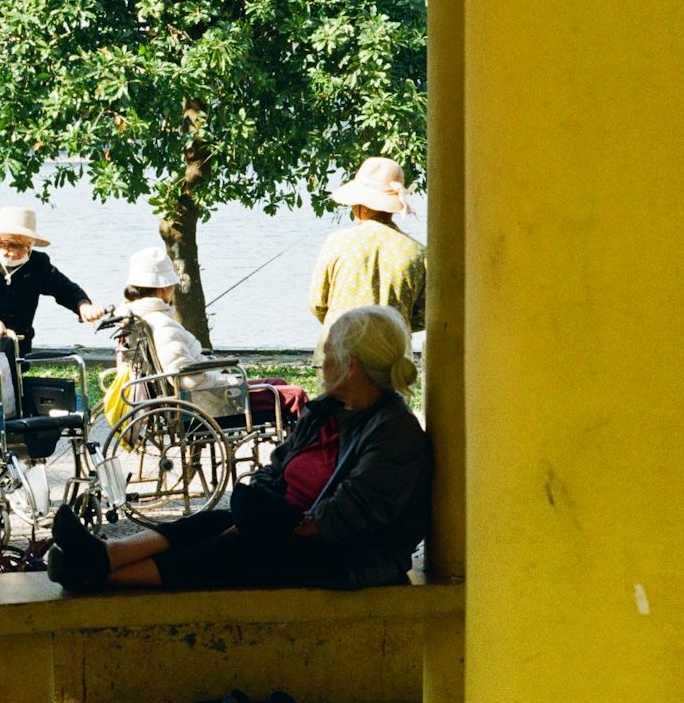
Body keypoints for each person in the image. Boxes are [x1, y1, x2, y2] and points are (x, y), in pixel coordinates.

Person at [47, 304, 431, 592]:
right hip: (291, 525)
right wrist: (258, 509)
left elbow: (343, 520)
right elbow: (276, 467)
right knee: (211, 522)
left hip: (347, 556)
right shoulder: (327, 411)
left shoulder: (394, 432)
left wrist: (272, 525)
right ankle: (107, 555)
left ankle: (99, 576)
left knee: (236, 550)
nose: (321, 363)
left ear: (351, 366)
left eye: (328, 354)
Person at [114, 247, 308, 418]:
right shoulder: (162, 325)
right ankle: (309, 446)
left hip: (199, 393)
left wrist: (216, 370)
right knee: (295, 395)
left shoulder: (141, 319)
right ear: (164, 288)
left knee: (278, 382)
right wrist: (229, 380)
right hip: (205, 401)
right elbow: (187, 378)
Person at [309, 157, 426, 360]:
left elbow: (318, 303)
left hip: (338, 354)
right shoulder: (417, 252)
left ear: (363, 206)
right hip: (392, 357)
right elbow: (424, 314)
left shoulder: (337, 242)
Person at [0, 206, 106, 356]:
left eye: (22, 246)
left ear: (31, 244)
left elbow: (65, 289)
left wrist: (83, 306)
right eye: (8, 244)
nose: (13, 252)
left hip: (16, 346)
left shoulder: (39, 264)